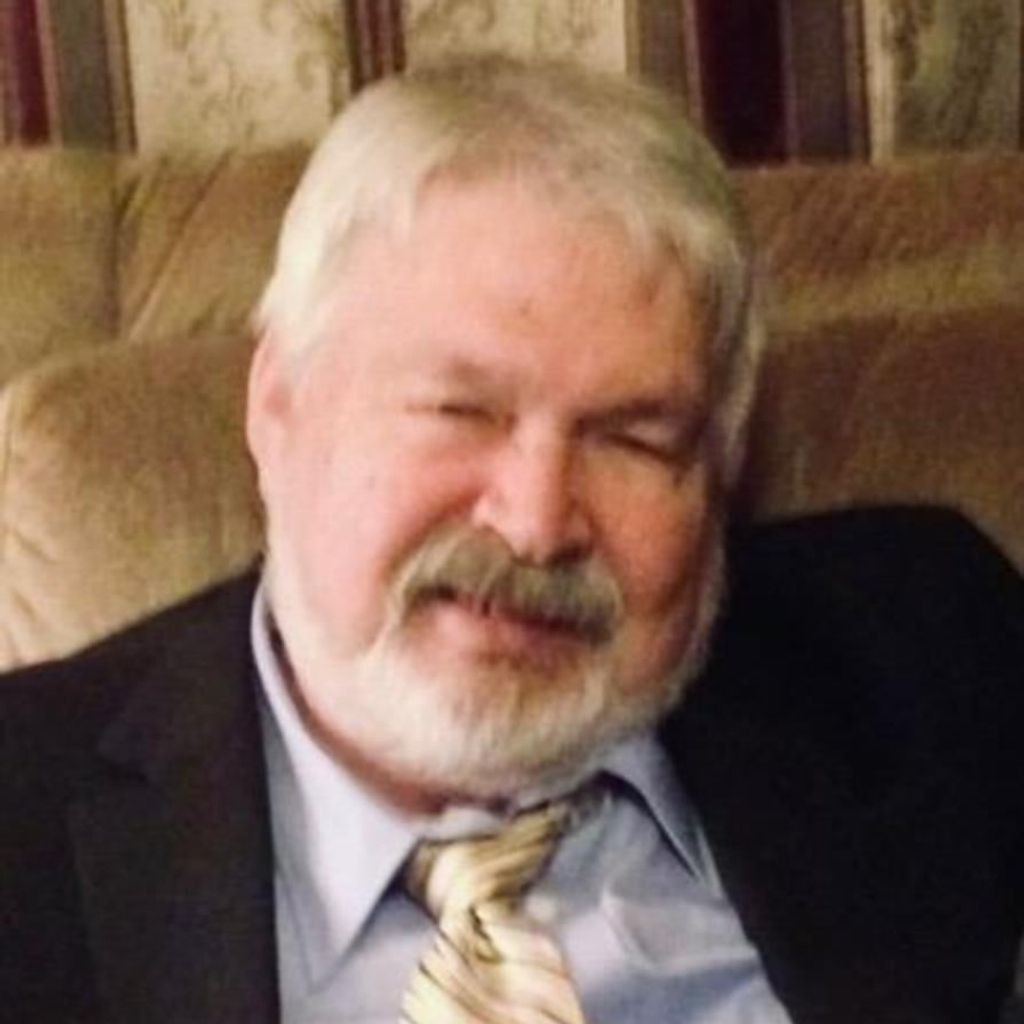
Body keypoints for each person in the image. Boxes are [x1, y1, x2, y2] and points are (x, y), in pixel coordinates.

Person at [1, 55, 1022, 1024]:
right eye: (459, 411)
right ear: (279, 404)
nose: (536, 525)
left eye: (632, 439)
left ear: (721, 466)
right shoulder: (23, 824)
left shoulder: (928, 655)